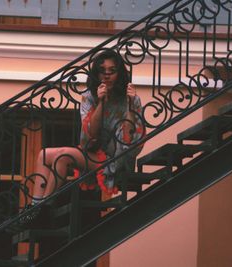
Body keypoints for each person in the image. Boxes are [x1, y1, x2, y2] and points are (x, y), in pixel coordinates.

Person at [29, 49, 145, 210]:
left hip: (117, 158)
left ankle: (42, 208)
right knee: (44, 155)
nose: (107, 75)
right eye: (102, 71)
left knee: (63, 157)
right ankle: (34, 206)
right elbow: (90, 135)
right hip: (94, 151)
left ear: (119, 74)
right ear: (96, 74)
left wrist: (131, 104)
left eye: (112, 71)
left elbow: (128, 140)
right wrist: (101, 102)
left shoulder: (130, 98)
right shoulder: (89, 96)